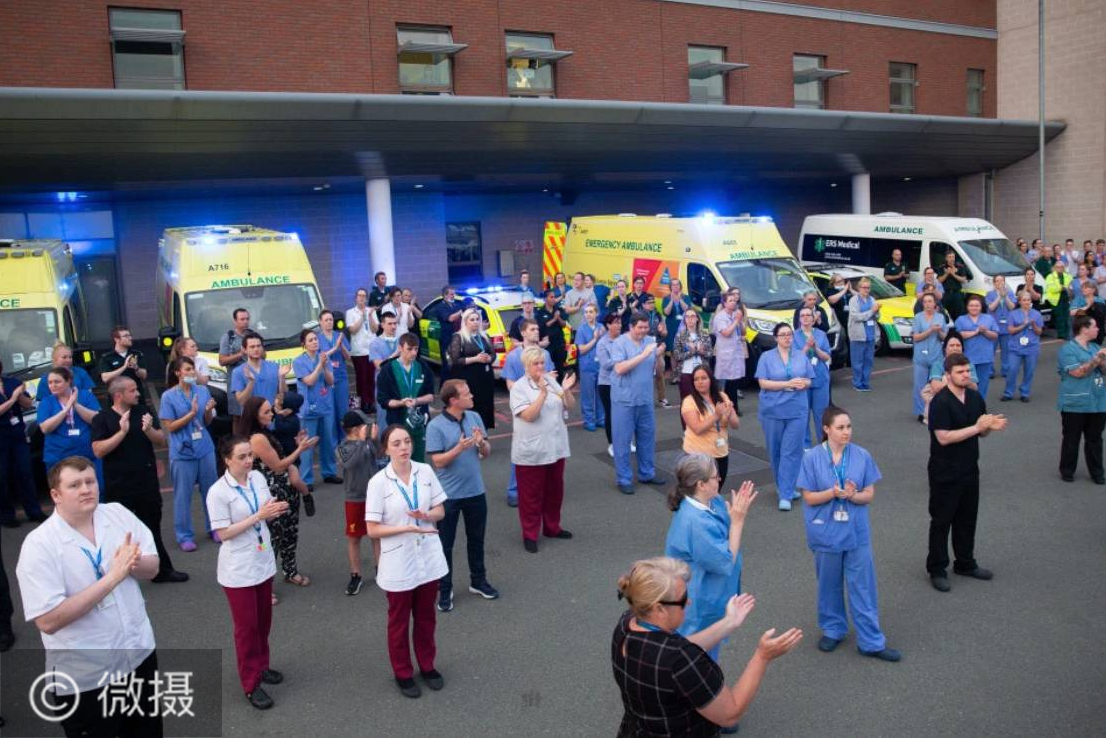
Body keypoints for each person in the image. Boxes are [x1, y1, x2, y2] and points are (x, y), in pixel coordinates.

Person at [16, 456, 164, 737]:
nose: (86, 489)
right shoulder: (39, 545)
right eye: (74, 485)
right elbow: (48, 621)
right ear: (56, 495)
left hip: (138, 655)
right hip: (86, 677)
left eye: (90, 482)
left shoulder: (117, 514)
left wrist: (133, 563)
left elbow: (153, 567)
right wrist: (114, 576)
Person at [611, 557, 802, 737]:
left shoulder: (627, 623)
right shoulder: (680, 660)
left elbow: (672, 650)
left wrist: (729, 623)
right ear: (659, 609)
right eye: (682, 599)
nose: (688, 602)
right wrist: (762, 656)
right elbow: (730, 714)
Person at [796, 406, 900, 661]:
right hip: (825, 532)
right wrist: (832, 493)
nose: (846, 432)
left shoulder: (862, 456)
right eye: (840, 427)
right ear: (826, 429)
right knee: (828, 584)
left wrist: (853, 495)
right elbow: (809, 497)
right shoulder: (812, 459)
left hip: (855, 532)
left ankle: (871, 641)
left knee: (863, 586)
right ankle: (833, 629)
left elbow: (869, 495)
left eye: (849, 427)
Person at [366, 424, 449, 698]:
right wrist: (406, 528)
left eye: (407, 441)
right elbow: (372, 529)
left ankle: (427, 665)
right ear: (385, 449)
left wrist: (426, 516)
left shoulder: (424, 471)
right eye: (396, 443)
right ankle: (402, 672)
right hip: (398, 561)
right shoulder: (378, 482)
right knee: (399, 621)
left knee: (426, 617)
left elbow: (440, 510)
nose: (404, 447)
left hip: (427, 555)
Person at [207, 436, 289, 709]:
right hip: (238, 569)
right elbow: (223, 533)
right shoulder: (218, 492)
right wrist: (258, 516)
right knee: (247, 629)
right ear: (227, 460)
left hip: (262, 560)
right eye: (241, 457)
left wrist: (274, 511)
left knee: (263, 622)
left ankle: (262, 666)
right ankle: (251, 684)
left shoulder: (257, 479)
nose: (248, 461)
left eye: (250, 455)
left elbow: (264, 511)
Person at [91, 377, 187, 583]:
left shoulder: (143, 411)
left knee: (152, 528)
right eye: (132, 391)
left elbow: (161, 440)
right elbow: (98, 450)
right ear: (118, 395)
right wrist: (122, 432)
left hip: (146, 482)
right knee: (118, 533)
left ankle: (162, 570)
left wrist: (148, 429)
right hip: (119, 486)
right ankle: (116, 574)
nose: (137, 393)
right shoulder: (102, 418)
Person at [926, 353, 1007, 593]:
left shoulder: (974, 397)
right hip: (944, 471)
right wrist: (977, 427)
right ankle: (937, 568)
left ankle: (965, 563)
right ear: (948, 375)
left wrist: (989, 427)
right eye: (960, 372)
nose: (966, 375)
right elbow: (943, 437)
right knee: (942, 521)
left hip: (970, 468)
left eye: (967, 371)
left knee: (967, 518)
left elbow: (981, 432)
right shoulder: (940, 402)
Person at [665, 454, 755, 666]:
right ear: (701, 484)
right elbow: (725, 562)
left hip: (710, 593)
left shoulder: (711, 501)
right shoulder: (695, 522)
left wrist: (733, 515)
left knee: (707, 651)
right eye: (715, 477)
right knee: (698, 655)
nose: (720, 479)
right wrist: (737, 522)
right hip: (699, 602)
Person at [426, 380, 499, 612]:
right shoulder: (435, 426)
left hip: (476, 491)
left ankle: (478, 581)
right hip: (448, 497)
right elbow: (437, 462)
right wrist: (458, 448)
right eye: (467, 394)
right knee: (445, 545)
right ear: (453, 400)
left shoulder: (475, 417)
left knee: (476, 540)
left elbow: (486, 452)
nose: (472, 395)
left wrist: (481, 443)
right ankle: (444, 588)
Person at [242, 396, 316, 590]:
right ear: (255, 415)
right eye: (266, 412)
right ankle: (266, 585)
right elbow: (277, 466)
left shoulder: (266, 432)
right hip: (272, 493)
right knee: (273, 538)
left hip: (285, 489)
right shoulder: (257, 438)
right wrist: (300, 449)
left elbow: (281, 457)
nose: (272, 414)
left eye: (271, 410)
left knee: (290, 533)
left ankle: (290, 571)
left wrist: (296, 445)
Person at [510, 347, 575, 551]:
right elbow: (529, 416)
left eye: (542, 363)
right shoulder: (519, 388)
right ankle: (530, 534)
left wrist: (566, 390)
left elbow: (569, 406)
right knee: (531, 495)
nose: (540, 367)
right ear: (526, 366)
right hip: (532, 451)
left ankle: (552, 527)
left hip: (555, 447)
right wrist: (542, 394)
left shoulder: (550, 380)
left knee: (555, 491)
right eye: (535, 364)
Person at [160, 357, 218, 551]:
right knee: (183, 495)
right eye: (187, 369)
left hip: (204, 447)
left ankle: (214, 527)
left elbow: (207, 421)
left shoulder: (202, 391)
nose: (192, 372)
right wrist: (191, 414)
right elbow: (170, 427)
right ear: (178, 373)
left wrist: (208, 411)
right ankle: (184, 536)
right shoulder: (168, 396)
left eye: (193, 369)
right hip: (183, 451)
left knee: (211, 492)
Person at [756, 323, 813, 511]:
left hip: (797, 410)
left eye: (789, 334)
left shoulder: (801, 356)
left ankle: (786, 493)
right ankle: (784, 486)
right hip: (773, 410)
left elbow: (809, 379)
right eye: (783, 335)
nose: (787, 337)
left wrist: (803, 383)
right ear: (776, 338)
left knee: (792, 451)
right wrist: (786, 384)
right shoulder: (766, 357)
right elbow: (763, 383)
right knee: (775, 451)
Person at [611, 313, 668, 495]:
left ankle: (647, 473)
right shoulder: (620, 343)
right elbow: (619, 368)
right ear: (631, 327)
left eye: (646, 328)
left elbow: (659, 369)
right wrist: (644, 354)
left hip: (645, 399)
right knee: (622, 441)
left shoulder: (650, 341)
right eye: (640, 328)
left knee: (647, 438)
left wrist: (659, 356)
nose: (643, 331)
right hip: (624, 400)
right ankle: (624, 478)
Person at [502, 319, 556, 505]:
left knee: (544, 447)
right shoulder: (513, 356)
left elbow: (550, 379)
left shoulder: (545, 354)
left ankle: (539, 489)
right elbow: (510, 384)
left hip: (544, 406)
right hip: (524, 407)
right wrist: (527, 394)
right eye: (532, 329)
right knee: (522, 448)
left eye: (537, 328)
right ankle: (514, 491)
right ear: (523, 333)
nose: (536, 331)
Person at [336, 411, 382, 596]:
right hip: (354, 498)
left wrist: (375, 440)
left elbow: (380, 453)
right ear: (355, 429)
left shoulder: (368, 442)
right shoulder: (342, 447)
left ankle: (381, 569)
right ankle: (356, 575)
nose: (368, 428)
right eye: (364, 425)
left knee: (376, 534)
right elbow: (349, 464)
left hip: (374, 496)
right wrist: (362, 442)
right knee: (354, 538)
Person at [1057, 315, 1106, 484]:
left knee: (1095, 439)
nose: (1098, 329)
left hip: (1097, 401)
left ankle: (1097, 473)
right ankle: (1067, 471)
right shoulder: (1067, 350)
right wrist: (1096, 359)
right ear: (1084, 329)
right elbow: (1078, 372)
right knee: (1072, 439)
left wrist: (1102, 361)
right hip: (1075, 403)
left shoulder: (1095, 347)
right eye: (1095, 326)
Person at [37, 367, 102, 488]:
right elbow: (45, 428)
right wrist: (66, 409)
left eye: (57, 382)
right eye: (50, 382)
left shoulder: (85, 395)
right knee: (64, 490)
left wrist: (76, 404)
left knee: (93, 489)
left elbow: (96, 420)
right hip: (58, 456)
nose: (52, 385)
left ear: (68, 381)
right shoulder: (46, 401)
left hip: (87, 453)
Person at [293, 328, 341, 486]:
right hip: (308, 410)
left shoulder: (324, 357)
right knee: (307, 445)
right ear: (304, 344)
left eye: (315, 339)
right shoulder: (298, 362)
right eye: (310, 340)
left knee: (328, 442)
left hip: (325, 406)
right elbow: (309, 381)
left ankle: (329, 472)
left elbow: (331, 381)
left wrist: (325, 366)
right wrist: (320, 365)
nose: (314, 342)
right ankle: (306, 479)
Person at [377, 333, 435, 463]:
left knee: (418, 461)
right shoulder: (387, 369)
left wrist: (416, 401)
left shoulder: (423, 367)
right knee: (399, 461)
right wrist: (401, 403)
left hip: (419, 425)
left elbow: (431, 396)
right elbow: (383, 400)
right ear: (400, 348)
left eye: (416, 349)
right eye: (409, 349)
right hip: (397, 423)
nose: (414, 353)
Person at [1, 361, 46, 527]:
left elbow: (28, 404)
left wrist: (19, 395)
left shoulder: (12, 382)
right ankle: (7, 516)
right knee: (2, 476)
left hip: (17, 435)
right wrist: (12, 397)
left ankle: (34, 511)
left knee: (25, 473)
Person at [681, 367, 738, 487]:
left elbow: (736, 425)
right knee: (699, 492)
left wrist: (730, 415)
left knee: (716, 490)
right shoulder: (689, 401)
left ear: (711, 380)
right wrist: (716, 416)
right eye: (696, 379)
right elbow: (697, 429)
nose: (700, 382)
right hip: (697, 456)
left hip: (720, 452)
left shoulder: (722, 396)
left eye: (704, 378)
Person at [446, 307, 497, 429]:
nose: (475, 322)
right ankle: (470, 431)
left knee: (485, 405)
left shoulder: (484, 336)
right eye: (472, 320)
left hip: (485, 377)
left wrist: (488, 358)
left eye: (477, 319)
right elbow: (455, 360)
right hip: (469, 377)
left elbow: (493, 354)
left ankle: (484, 431)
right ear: (465, 321)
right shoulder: (459, 337)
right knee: (472, 405)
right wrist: (475, 359)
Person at [230, 332, 288, 434]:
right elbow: (241, 401)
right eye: (252, 347)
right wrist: (251, 382)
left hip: (272, 420)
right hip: (252, 423)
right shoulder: (238, 372)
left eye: (258, 346)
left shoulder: (274, 366)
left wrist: (282, 378)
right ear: (244, 349)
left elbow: (283, 393)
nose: (256, 349)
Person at [796, 306, 833, 446]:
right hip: (802, 381)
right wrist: (807, 347)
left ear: (813, 318)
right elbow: (794, 360)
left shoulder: (821, 334)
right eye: (802, 315)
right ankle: (806, 446)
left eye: (808, 315)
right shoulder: (794, 336)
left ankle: (823, 445)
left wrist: (816, 348)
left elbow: (827, 357)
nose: (805, 317)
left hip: (820, 379)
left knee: (821, 415)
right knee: (803, 415)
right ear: (799, 319)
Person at [911, 293, 948, 421]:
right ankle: (921, 412)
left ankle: (936, 410)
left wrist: (939, 331)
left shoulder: (940, 317)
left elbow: (944, 337)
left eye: (930, 301)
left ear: (935, 303)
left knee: (936, 385)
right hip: (921, 356)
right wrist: (930, 330)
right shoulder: (918, 317)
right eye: (925, 302)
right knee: (920, 386)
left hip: (936, 355)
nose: (927, 304)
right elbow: (915, 337)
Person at [954, 295, 1000, 398]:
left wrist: (985, 331)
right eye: (971, 305)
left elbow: (995, 335)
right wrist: (975, 332)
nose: (974, 308)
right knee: (967, 383)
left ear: (981, 307)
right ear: (967, 307)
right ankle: (967, 404)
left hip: (985, 357)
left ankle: (980, 404)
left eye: (977, 305)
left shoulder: (988, 318)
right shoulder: (961, 319)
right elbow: (958, 335)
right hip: (967, 358)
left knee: (983, 384)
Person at [1003, 291, 1044, 402]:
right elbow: (1011, 330)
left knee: (1029, 371)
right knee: (1012, 369)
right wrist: (1023, 325)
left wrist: (1033, 324)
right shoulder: (1013, 314)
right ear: (1020, 301)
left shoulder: (1036, 314)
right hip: (1015, 347)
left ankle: (1025, 392)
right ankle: (1008, 392)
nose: (1026, 302)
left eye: (1028, 300)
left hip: (1031, 347)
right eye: (1024, 300)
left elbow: (1039, 332)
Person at [316, 309, 352, 439]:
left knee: (342, 411)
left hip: (340, 378)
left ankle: (344, 440)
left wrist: (341, 346)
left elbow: (347, 357)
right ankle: (331, 442)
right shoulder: (317, 339)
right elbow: (320, 357)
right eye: (326, 320)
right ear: (320, 322)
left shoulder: (339, 335)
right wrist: (335, 348)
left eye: (331, 319)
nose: (329, 322)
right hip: (325, 380)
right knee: (329, 412)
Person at [710, 289, 747, 413]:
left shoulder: (736, 314)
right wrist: (736, 320)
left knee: (735, 381)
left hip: (736, 352)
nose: (733, 302)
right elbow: (726, 333)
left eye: (734, 300)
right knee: (726, 382)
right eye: (730, 300)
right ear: (724, 303)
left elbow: (743, 332)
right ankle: (727, 407)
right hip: (726, 353)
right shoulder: (720, 317)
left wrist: (740, 321)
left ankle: (734, 407)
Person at [672, 308, 712, 410]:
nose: (690, 319)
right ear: (684, 319)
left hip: (702, 372)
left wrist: (702, 352)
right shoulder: (680, 336)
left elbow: (710, 354)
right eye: (687, 316)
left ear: (697, 319)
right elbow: (677, 356)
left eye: (693, 316)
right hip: (686, 372)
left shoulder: (704, 334)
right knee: (686, 403)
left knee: (703, 402)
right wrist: (692, 351)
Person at [575, 303, 606, 431]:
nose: (588, 314)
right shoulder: (581, 330)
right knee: (587, 395)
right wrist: (595, 339)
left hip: (600, 366)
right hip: (587, 366)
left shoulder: (601, 327)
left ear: (596, 313)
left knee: (600, 394)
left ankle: (601, 419)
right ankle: (589, 420)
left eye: (591, 312)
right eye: (586, 312)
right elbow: (582, 350)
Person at [98, 325, 149, 403]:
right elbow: (105, 378)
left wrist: (136, 367)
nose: (130, 338)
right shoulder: (107, 357)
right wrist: (124, 367)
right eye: (126, 336)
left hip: (136, 396)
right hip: (117, 398)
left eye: (130, 335)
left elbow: (144, 375)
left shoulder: (136, 354)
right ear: (117, 339)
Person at [847, 277, 880, 391]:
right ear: (859, 288)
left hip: (870, 334)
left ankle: (865, 382)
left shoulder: (872, 299)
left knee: (868, 361)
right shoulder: (854, 300)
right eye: (864, 287)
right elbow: (856, 317)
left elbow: (877, 317)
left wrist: (877, 312)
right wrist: (872, 311)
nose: (866, 290)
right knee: (857, 361)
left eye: (868, 287)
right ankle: (857, 383)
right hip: (858, 335)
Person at [348, 287, 377, 413]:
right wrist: (362, 316)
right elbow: (352, 330)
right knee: (361, 379)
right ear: (356, 298)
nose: (361, 298)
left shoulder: (371, 311)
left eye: (364, 296)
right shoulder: (350, 312)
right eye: (359, 295)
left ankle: (370, 402)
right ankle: (361, 404)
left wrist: (369, 316)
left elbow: (375, 329)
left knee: (371, 378)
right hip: (358, 351)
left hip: (371, 350)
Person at [596, 312, 622, 453]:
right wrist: (623, 360)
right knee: (611, 413)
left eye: (619, 322)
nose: (619, 325)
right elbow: (606, 364)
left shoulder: (624, 339)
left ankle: (625, 441)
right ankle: (612, 444)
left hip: (623, 382)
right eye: (616, 323)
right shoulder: (602, 343)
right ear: (608, 325)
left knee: (624, 413)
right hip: (607, 383)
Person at [369, 311, 404, 411]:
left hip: (400, 386)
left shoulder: (401, 341)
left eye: (395, 323)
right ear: (382, 325)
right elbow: (379, 366)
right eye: (390, 324)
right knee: (384, 417)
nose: (393, 326)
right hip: (384, 386)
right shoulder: (375, 344)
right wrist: (395, 354)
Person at [641, 293, 669, 407]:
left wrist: (662, 331)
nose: (652, 304)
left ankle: (662, 398)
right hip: (643, 348)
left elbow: (665, 333)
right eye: (649, 303)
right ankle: (644, 399)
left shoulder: (658, 315)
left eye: (653, 302)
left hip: (657, 346)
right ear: (643, 304)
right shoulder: (638, 316)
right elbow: (635, 334)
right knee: (644, 374)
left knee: (659, 372)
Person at [218, 308, 252, 403]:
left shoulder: (253, 335)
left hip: (253, 377)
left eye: (247, 319)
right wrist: (241, 354)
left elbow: (263, 355)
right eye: (242, 319)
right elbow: (222, 361)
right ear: (235, 321)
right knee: (237, 409)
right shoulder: (228, 337)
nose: (245, 321)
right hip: (236, 380)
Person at [986, 275, 1017, 378]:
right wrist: (999, 296)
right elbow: (991, 308)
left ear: (1004, 282)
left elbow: (1012, 307)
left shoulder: (1010, 293)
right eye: (997, 281)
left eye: (1002, 281)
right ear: (994, 283)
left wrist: (1005, 296)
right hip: (993, 327)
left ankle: (1006, 370)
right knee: (991, 350)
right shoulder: (990, 294)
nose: (1000, 283)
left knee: (1006, 350)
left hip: (1006, 326)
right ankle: (989, 371)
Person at [662, 279, 694, 380]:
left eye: (677, 284)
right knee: (673, 351)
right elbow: (666, 312)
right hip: (671, 326)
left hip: (683, 326)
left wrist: (680, 299)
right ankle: (676, 375)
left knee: (684, 349)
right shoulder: (666, 298)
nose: (675, 286)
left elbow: (687, 310)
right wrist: (672, 300)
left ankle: (684, 374)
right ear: (670, 287)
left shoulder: (686, 297)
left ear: (680, 286)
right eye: (673, 285)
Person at [433, 286, 464, 379]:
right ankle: (444, 385)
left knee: (457, 364)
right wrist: (461, 311)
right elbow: (450, 318)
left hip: (457, 338)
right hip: (446, 339)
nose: (454, 296)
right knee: (447, 364)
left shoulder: (456, 305)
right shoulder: (440, 307)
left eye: (454, 294)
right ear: (445, 295)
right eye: (451, 294)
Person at [535, 288, 568, 376]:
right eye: (551, 297)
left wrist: (559, 318)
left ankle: (560, 384)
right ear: (545, 299)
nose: (554, 299)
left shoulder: (558, 309)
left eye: (554, 297)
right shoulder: (540, 312)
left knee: (560, 369)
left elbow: (564, 325)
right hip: (547, 345)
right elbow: (542, 326)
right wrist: (554, 319)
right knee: (547, 369)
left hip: (559, 344)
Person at [1045, 259, 1074, 339]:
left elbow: (1071, 286)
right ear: (1054, 268)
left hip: (1066, 298)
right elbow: (1052, 288)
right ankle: (1061, 334)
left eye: (1061, 267)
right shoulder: (1050, 277)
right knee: (1059, 317)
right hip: (1056, 300)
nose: (1060, 268)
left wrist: (1065, 287)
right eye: (1057, 267)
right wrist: (1062, 287)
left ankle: (1067, 333)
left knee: (1067, 316)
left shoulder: (1068, 276)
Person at [937, 250, 968, 320]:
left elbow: (963, 279)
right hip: (945, 293)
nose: (952, 259)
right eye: (950, 257)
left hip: (957, 293)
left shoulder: (960, 267)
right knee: (944, 312)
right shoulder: (942, 267)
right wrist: (947, 273)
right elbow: (939, 281)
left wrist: (953, 274)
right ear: (946, 258)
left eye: (953, 257)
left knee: (959, 313)